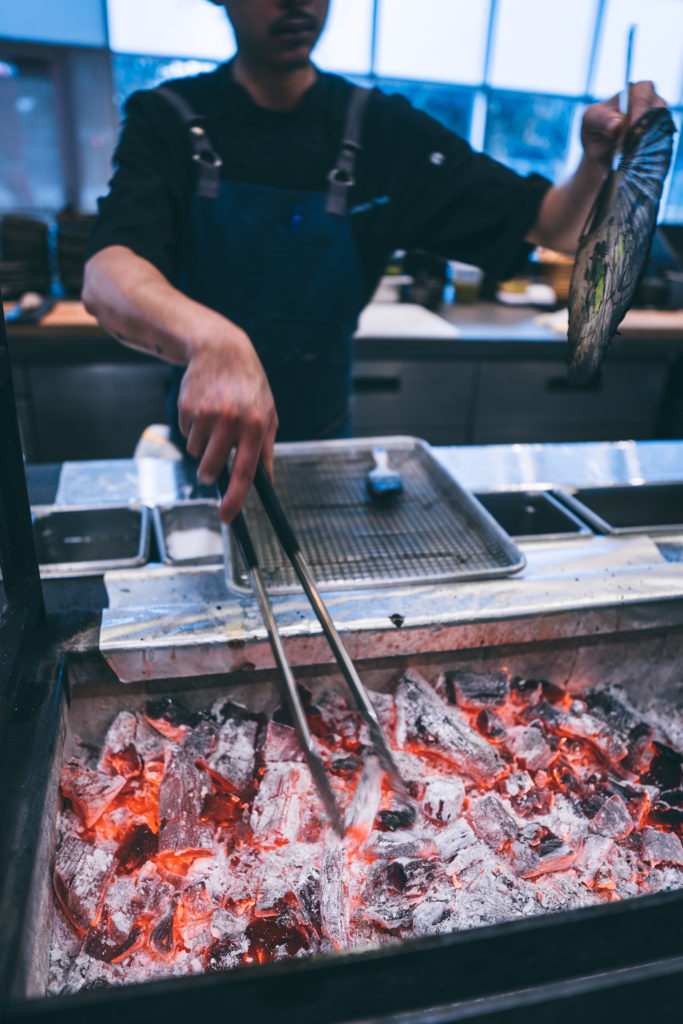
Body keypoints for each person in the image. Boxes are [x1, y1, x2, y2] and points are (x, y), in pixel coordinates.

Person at [82, 0, 667, 522]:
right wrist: (210, 338)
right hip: (204, 453)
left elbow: (554, 224)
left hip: (330, 447)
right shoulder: (168, 117)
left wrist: (598, 161)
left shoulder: (380, 129)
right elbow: (108, 271)